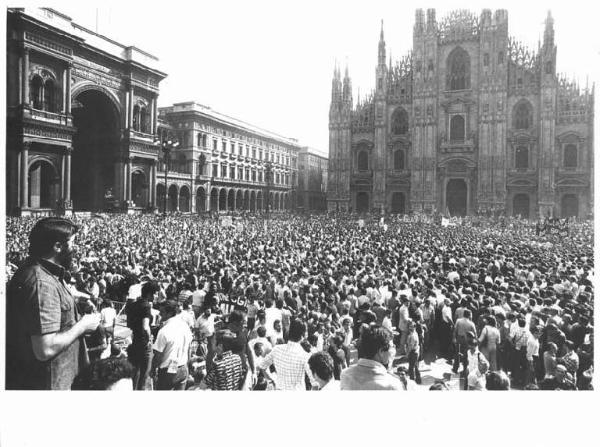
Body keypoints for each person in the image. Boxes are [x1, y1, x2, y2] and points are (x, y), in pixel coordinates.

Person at [6, 217, 101, 390]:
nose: (76, 249)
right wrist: (83, 325)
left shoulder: (38, 271)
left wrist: (75, 300)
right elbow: (45, 349)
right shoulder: (42, 283)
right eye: (72, 243)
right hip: (50, 382)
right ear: (57, 247)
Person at [258, 318, 316, 390]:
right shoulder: (305, 356)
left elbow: (262, 366)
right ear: (303, 335)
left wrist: (272, 380)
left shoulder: (276, 349)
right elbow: (315, 384)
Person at [340, 324, 403, 390]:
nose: (392, 351)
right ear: (381, 352)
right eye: (391, 347)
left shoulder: (345, 375)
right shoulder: (393, 384)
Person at [151, 300, 193, 390]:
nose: (160, 314)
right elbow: (189, 348)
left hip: (168, 372)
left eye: (162, 312)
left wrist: (153, 369)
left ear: (170, 313)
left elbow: (158, 355)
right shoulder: (185, 326)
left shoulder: (164, 331)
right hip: (183, 368)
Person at [126, 281, 158, 390]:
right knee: (144, 378)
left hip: (135, 340)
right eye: (155, 293)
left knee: (135, 374)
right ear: (149, 294)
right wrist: (149, 339)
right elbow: (145, 326)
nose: (156, 296)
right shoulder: (146, 306)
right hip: (144, 344)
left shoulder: (135, 303)